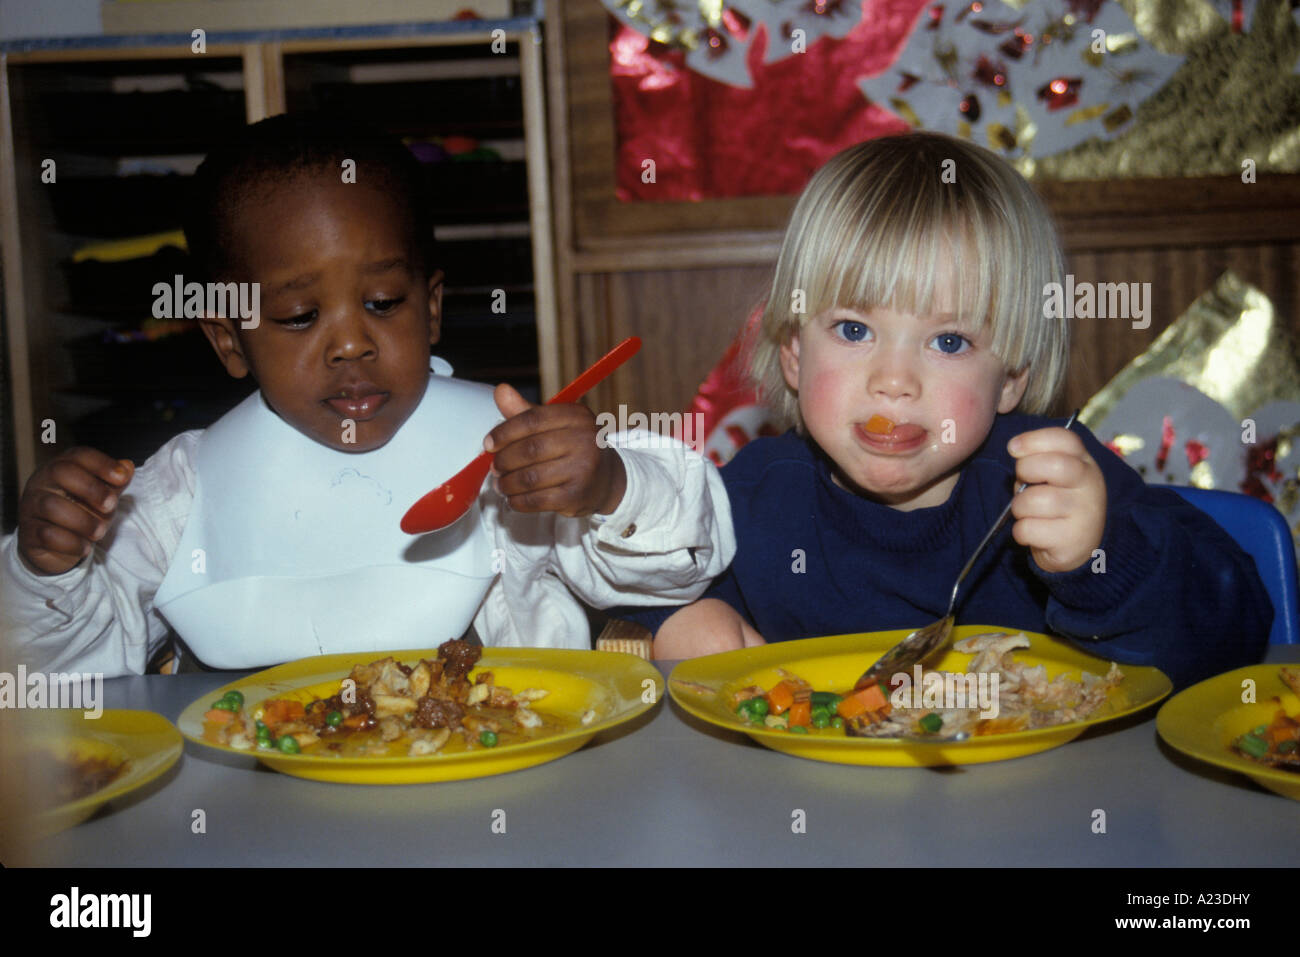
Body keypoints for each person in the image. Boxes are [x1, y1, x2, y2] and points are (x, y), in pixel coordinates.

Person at [0, 113, 733, 675]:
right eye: (298, 316)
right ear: (228, 339)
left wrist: (608, 485)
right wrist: (49, 569)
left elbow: (686, 559)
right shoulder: (177, 492)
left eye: (383, 301)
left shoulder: (506, 464)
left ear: (433, 305)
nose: (351, 343)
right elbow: (68, 673)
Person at [631, 132, 1269, 689]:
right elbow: (632, 579)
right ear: (794, 355)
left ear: (1011, 380)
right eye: (854, 330)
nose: (894, 381)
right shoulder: (757, 492)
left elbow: (1239, 632)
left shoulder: (1053, 480)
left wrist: (1103, 561)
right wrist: (677, 619)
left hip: (1038, 813)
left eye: (949, 342)